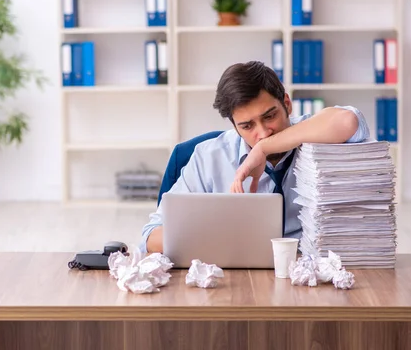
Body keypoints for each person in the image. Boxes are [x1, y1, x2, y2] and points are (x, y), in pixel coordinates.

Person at [140, 61, 370, 254]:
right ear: (234, 127)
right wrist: (213, 230)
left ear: (287, 105)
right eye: (247, 126)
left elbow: (349, 122)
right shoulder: (207, 157)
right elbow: (151, 237)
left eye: (270, 116)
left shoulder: (315, 130)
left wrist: (261, 150)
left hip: (312, 272)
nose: (263, 133)